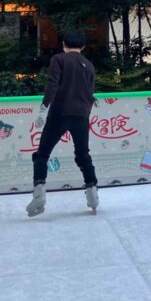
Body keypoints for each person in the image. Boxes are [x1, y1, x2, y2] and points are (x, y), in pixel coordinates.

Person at [28, 30, 99, 217]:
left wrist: (43, 110)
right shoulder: (90, 66)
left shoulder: (59, 60)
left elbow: (53, 85)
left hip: (59, 114)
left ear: (64, 45)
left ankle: (39, 194)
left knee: (42, 154)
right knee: (83, 154)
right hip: (82, 116)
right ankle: (92, 193)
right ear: (82, 47)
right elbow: (90, 93)